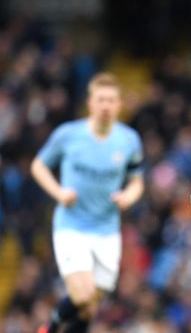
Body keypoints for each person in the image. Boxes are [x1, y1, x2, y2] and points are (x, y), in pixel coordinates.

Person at [31, 73, 145, 333]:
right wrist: (59, 192)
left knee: (90, 308)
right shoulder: (68, 135)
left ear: (119, 105)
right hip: (72, 224)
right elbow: (38, 165)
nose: (106, 105)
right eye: (101, 99)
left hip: (106, 229)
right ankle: (48, 327)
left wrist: (128, 195)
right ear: (90, 103)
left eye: (111, 100)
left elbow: (137, 181)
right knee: (82, 295)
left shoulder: (128, 140)